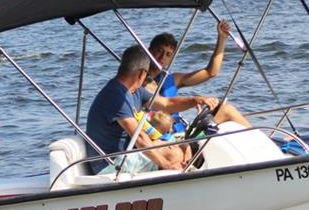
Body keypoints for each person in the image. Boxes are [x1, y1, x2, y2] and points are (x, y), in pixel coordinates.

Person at [85, 44, 218, 175]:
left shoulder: (134, 91)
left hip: (128, 154)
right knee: (173, 153)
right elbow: (140, 138)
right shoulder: (115, 96)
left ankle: (187, 178)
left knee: (184, 145)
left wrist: (196, 100)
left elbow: (166, 104)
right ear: (141, 74)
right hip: (111, 163)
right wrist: (165, 164)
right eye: (147, 73)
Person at [146, 21, 252, 129]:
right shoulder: (139, 82)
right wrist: (196, 100)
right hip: (166, 137)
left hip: (183, 131)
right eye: (159, 51)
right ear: (149, 51)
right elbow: (167, 104)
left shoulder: (172, 79)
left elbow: (210, 72)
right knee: (227, 111)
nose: (162, 57)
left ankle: (265, 141)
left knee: (225, 110)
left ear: (171, 58)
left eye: (168, 54)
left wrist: (222, 38)